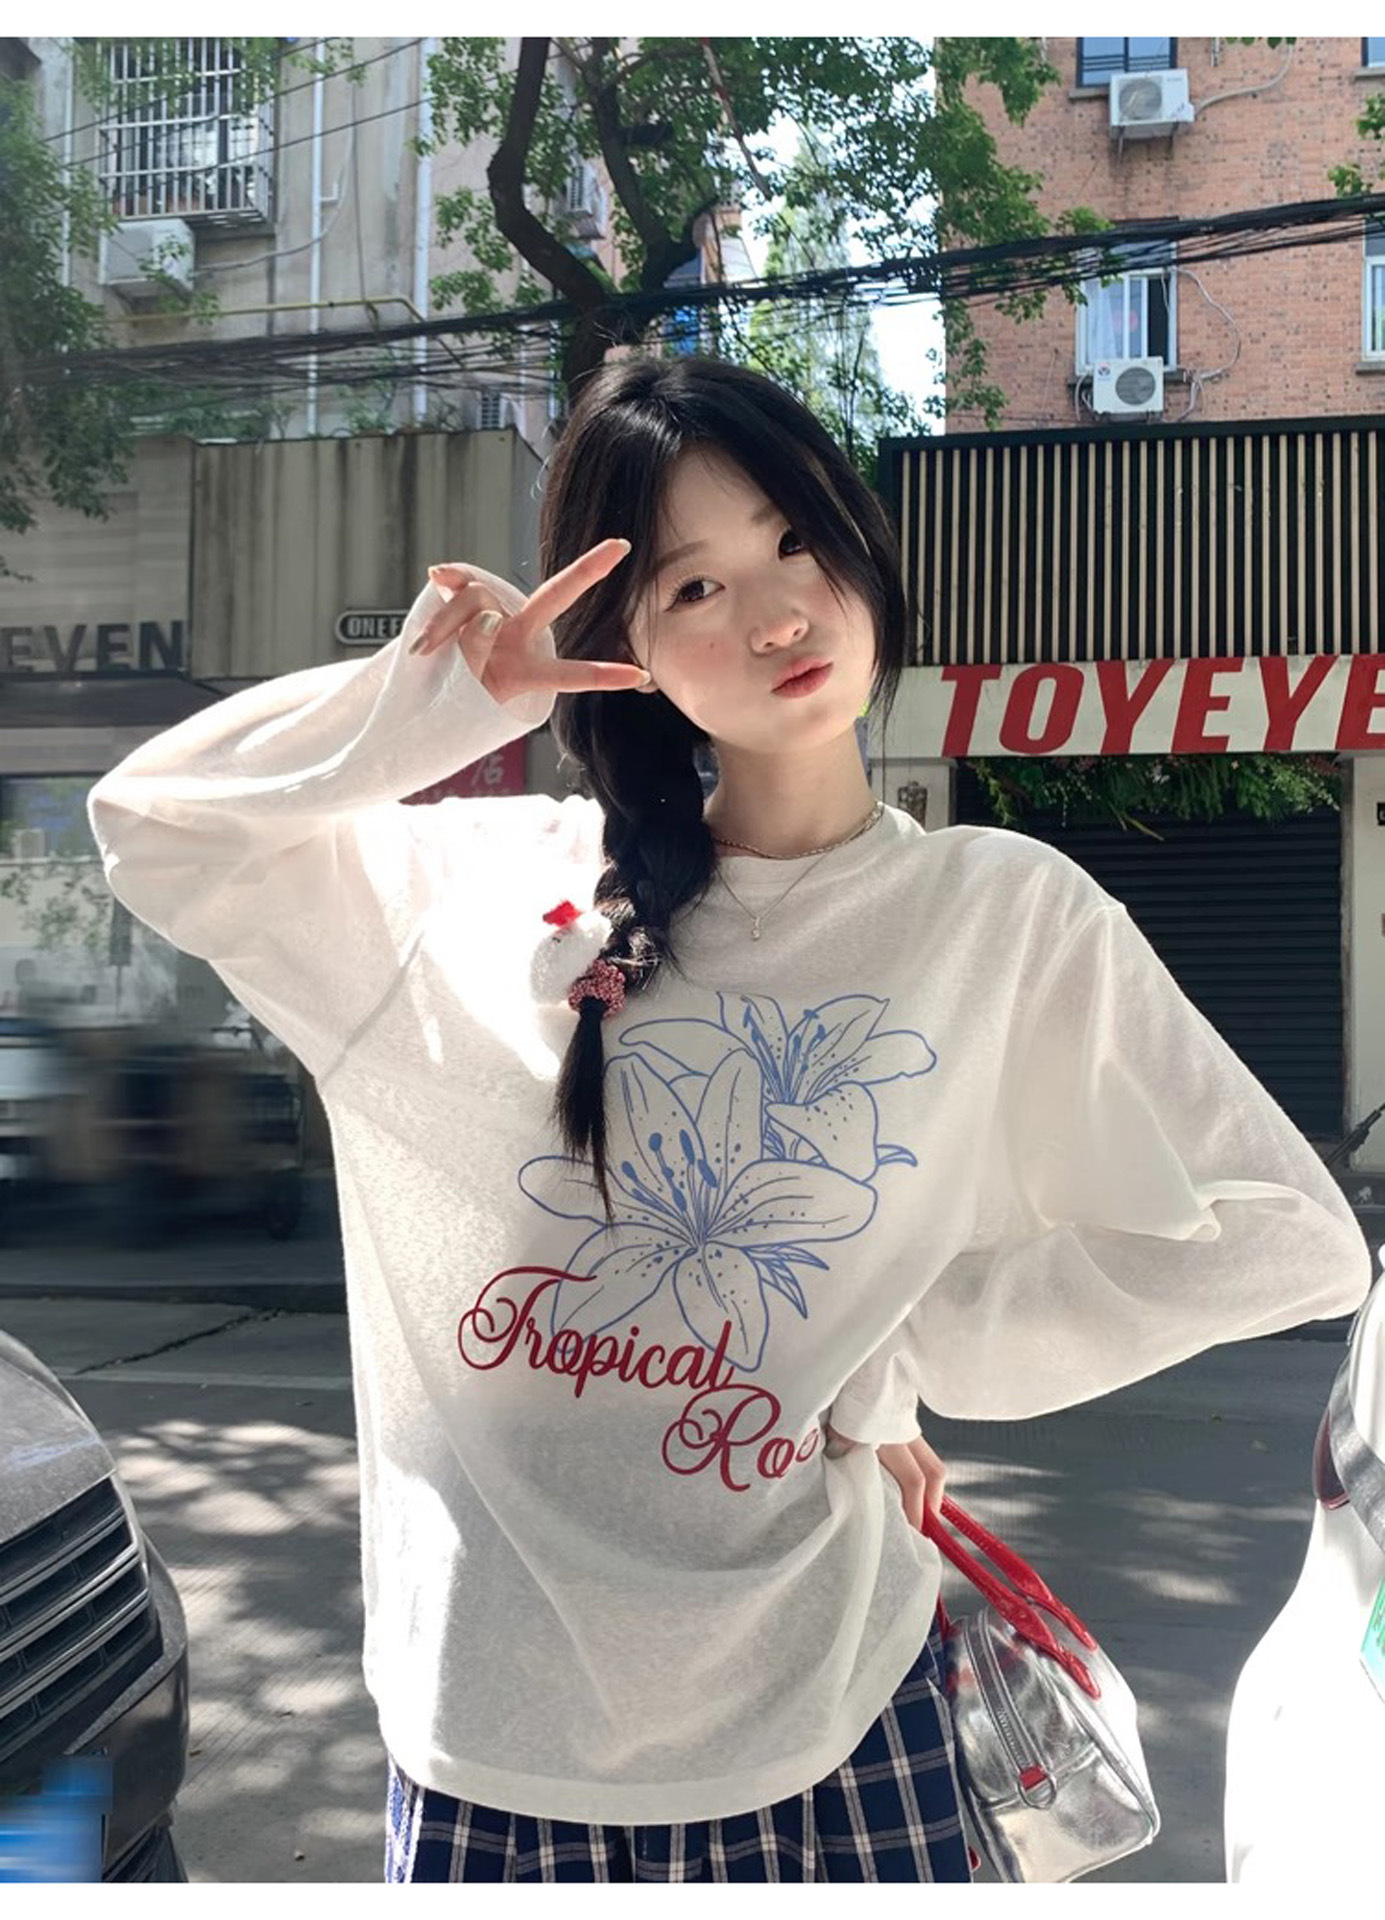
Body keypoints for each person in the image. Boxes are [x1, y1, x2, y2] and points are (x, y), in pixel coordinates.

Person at [87, 354, 1370, 1885]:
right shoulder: (471, 898)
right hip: (496, 1753)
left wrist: (900, 1354)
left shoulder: (1001, 915)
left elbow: (1283, 1242)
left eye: (795, 541)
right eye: (693, 585)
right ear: (620, 644)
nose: (775, 617)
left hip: (834, 1725)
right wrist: (428, 707)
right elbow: (153, 828)